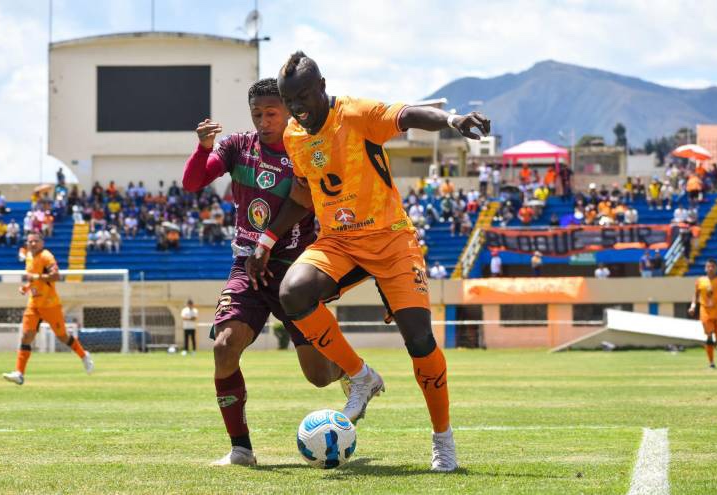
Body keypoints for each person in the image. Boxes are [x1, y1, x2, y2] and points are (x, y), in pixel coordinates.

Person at [246, 52, 490, 472]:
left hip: (391, 241)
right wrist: (267, 238)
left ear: (322, 87)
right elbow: (304, 194)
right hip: (339, 242)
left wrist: (450, 122)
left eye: (304, 97)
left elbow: (408, 115)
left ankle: (443, 440)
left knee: (419, 342)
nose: (299, 109)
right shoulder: (294, 135)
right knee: (293, 292)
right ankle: (360, 376)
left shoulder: (357, 114)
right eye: (292, 102)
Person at [182, 78, 362, 467]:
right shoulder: (237, 147)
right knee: (224, 347)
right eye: (257, 115)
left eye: (271, 113)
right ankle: (241, 448)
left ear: (288, 111)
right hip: (247, 265)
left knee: (317, 376)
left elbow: (306, 204)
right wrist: (203, 148)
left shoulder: (306, 149)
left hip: (296, 271)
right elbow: (193, 182)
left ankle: (348, 367)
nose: (264, 122)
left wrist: (268, 243)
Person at [2, 232, 93, 385]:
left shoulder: (46, 256)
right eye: (30, 241)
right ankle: (19, 373)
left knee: (63, 337)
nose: (32, 244)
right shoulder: (29, 257)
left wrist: (37, 278)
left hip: (50, 304)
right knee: (26, 336)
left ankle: (84, 356)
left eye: (35, 241)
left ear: (41, 243)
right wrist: (26, 287)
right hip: (34, 304)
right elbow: (33, 279)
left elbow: (56, 276)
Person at [688, 259, 717, 369]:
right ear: (705, 268)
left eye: (713, 266)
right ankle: (711, 362)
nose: (710, 268)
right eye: (708, 266)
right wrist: (693, 305)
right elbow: (695, 294)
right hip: (705, 311)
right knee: (709, 336)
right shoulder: (700, 281)